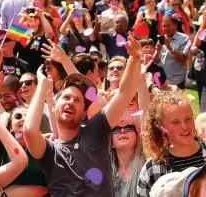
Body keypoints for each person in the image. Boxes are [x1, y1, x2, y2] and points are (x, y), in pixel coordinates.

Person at [24, 33, 141, 196]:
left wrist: (135, 57)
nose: (71, 102)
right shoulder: (50, 150)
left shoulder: (96, 132)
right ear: (55, 105)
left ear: (85, 112)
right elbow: (29, 131)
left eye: (77, 100)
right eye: (66, 97)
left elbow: (124, 93)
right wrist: (42, 86)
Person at [137, 90, 206, 197]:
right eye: (176, 122)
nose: (184, 126)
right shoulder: (152, 169)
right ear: (162, 128)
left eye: (188, 119)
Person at [109, 110, 146, 197]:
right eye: (116, 130)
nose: (122, 131)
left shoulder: (147, 165)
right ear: (112, 144)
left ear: (137, 138)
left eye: (129, 128)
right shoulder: (105, 172)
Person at [156, 15, 190, 89]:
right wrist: (157, 50)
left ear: (175, 25)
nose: (165, 28)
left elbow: (183, 58)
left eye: (168, 26)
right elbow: (156, 60)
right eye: (164, 26)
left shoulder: (184, 38)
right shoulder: (162, 38)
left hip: (176, 80)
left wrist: (170, 48)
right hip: (161, 80)